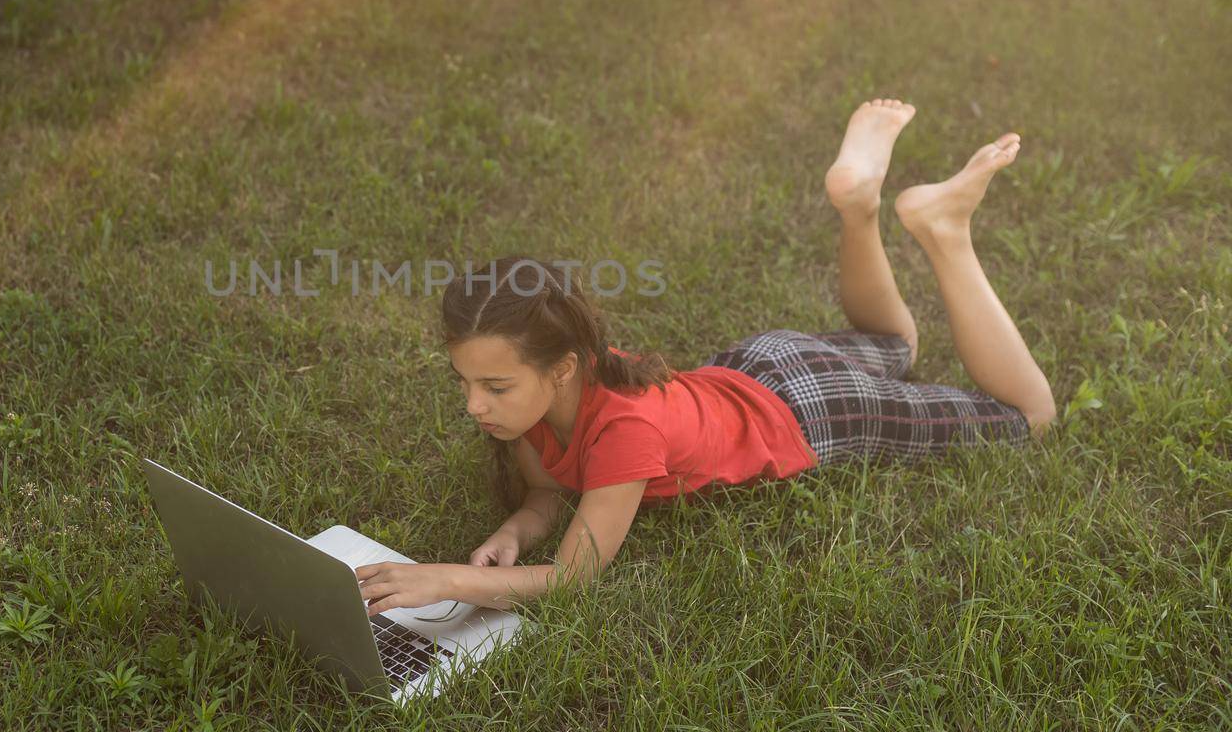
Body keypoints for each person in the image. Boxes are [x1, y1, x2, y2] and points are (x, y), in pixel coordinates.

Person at [356, 100, 1057, 617]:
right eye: (467, 382)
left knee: (1032, 416)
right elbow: (548, 494)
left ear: (562, 368)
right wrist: (514, 529)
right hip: (758, 364)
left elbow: (573, 577)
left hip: (813, 413)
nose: (473, 405)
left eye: (494, 385)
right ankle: (859, 207)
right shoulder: (540, 400)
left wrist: (442, 578)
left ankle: (947, 232)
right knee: (898, 344)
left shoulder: (623, 432)